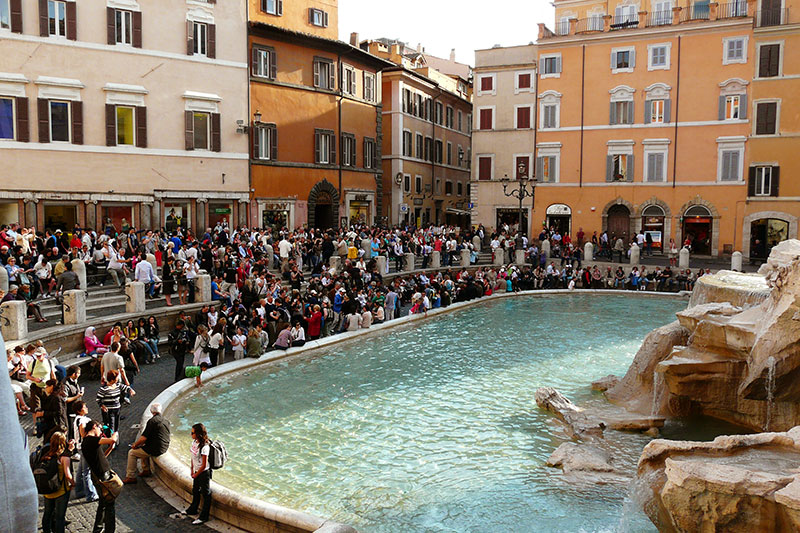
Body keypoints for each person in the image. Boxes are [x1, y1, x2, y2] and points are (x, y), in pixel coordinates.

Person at [82, 419, 120, 533]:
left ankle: (97, 529)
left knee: (103, 504)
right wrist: (115, 433)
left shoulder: (87, 442)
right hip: (103, 477)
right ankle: (109, 530)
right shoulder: (91, 440)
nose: (101, 431)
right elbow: (112, 439)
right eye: (100, 428)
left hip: (99, 475)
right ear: (94, 426)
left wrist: (110, 448)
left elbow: (100, 458)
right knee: (109, 505)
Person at [123, 403, 171, 484]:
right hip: (164, 446)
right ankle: (146, 470)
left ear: (151, 411)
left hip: (155, 448)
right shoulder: (166, 421)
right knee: (143, 447)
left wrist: (135, 445)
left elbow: (143, 438)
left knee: (132, 453)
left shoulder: (152, 421)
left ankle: (130, 476)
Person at [40, 431, 75, 533]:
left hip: (48, 491)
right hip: (61, 491)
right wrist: (73, 483)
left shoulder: (46, 454)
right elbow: (68, 475)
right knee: (60, 517)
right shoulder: (64, 457)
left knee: (47, 514)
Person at [183, 423, 212, 525]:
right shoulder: (194, 442)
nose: (191, 435)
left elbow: (204, 464)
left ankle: (204, 516)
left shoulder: (205, 447)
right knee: (195, 490)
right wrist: (192, 469)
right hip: (196, 471)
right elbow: (193, 456)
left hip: (204, 473)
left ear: (198, 434)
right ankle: (193, 509)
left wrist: (196, 474)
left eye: (192, 433)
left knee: (206, 494)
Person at [72, 401, 99, 502]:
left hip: (80, 446)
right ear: (79, 410)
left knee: (81, 470)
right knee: (86, 471)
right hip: (85, 447)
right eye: (84, 407)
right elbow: (83, 434)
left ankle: (79, 491)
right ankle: (91, 494)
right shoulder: (82, 420)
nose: (87, 408)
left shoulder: (77, 419)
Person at [96, 370, 134, 434]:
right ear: (112, 379)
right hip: (109, 411)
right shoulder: (104, 389)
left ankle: (115, 439)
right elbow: (98, 399)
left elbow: (126, 388)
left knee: (116, 426)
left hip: (117, 409)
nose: (118, 379)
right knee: (111, 427)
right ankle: (111, 440)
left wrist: (131, 390)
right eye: (117, 377)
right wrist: (102, 406)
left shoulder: (118, 385)